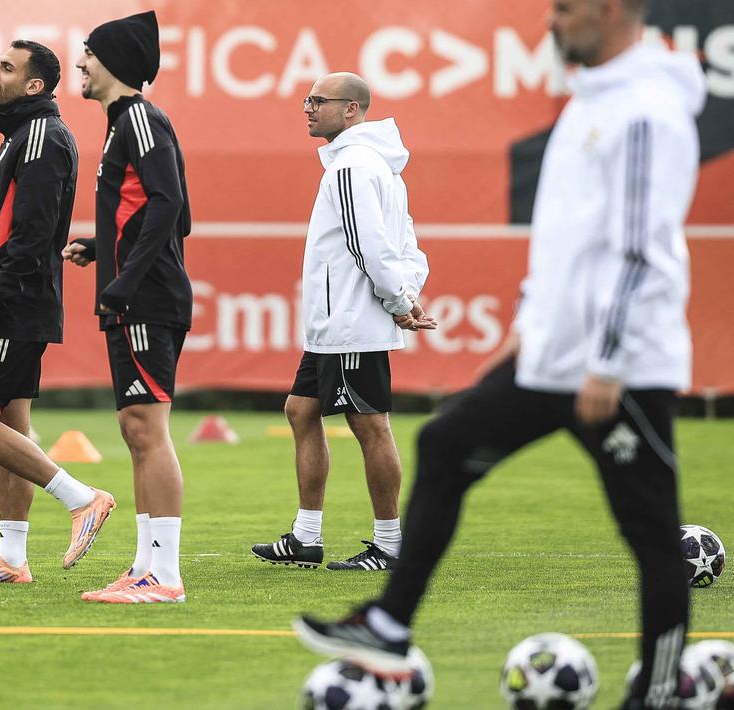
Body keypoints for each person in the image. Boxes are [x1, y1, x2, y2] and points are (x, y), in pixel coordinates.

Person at [293, 1, 705, 706]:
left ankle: (661, 690)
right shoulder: (589, 101)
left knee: (648, 530)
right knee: (445, 442)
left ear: (611, 11)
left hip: (618, 367)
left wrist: (608, 361)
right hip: (551, 358)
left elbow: (642, 250)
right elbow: (566, 245)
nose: (550, 22)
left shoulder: (645, 109)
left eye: (565, 9)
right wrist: (523, 333)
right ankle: (388, 623)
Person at [250, 72, 433, 573]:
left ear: (351, 109)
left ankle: (390, 545)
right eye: (307, 100)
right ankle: (306, 537)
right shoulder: (375, 165)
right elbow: (406, 242)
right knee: (300, 411)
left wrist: (398, 300)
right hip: (337, 323)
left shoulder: (352, 164)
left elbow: (366, 244)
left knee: (370, 425)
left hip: (351, 320)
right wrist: (408, 293)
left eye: (318, 100)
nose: (307, 108)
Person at [0, 40, 115, 583]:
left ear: (34, 85)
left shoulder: (41, 135)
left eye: (6, 67)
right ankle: (12, 559)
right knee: (10, 429)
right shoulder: (23, 133)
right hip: (18, 301)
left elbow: (34, 232)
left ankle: (82, 498)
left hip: (12, 306)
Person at [63, 10, 192, 604]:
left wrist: (127, 276)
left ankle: (163, 576)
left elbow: (169, 205)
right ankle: (145, 567)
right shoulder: (127, 124)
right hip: (138, 293)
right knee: (136, 428)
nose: (80, 63)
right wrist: (103, 247)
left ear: (114, 60)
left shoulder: (138, 118)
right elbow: (168, 213)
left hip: (146, 298)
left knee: (147, 427)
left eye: (89, 53)